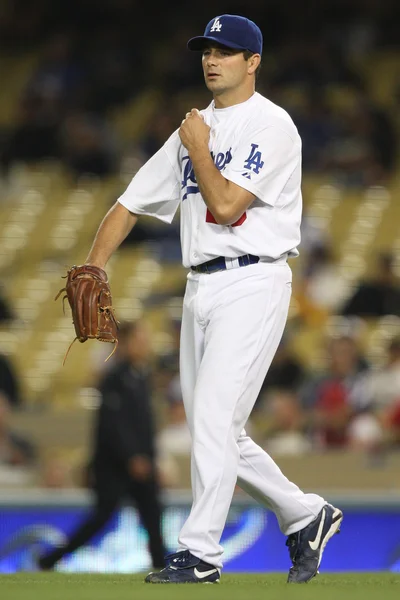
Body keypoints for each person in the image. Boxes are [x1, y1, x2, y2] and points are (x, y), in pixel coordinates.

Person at [74, 14, 343, 584]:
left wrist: (199, 147)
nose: (211, 58)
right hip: (200, 286)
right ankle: (305, 513)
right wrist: (95, 264)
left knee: (216, 422)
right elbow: (127, 203)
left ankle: (200, 553)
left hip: (253, 278)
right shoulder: (190, 130)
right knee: (216, 430)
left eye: (226, 50)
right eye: (206, 49)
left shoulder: (272, 126)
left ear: (253, 62)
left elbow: (224, 206)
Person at [38, 320, 166, 571]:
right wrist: (132, 457)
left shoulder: (141, 377)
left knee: (153, 516)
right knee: (101, 517)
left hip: (141, 462)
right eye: (140, 340)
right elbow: (113, 425)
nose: (145, 346)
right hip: (115, 467)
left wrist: (150, 457)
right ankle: (50, 559)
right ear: (126, 343)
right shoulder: (114, 379)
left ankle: (162, 565)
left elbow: (144, 427)